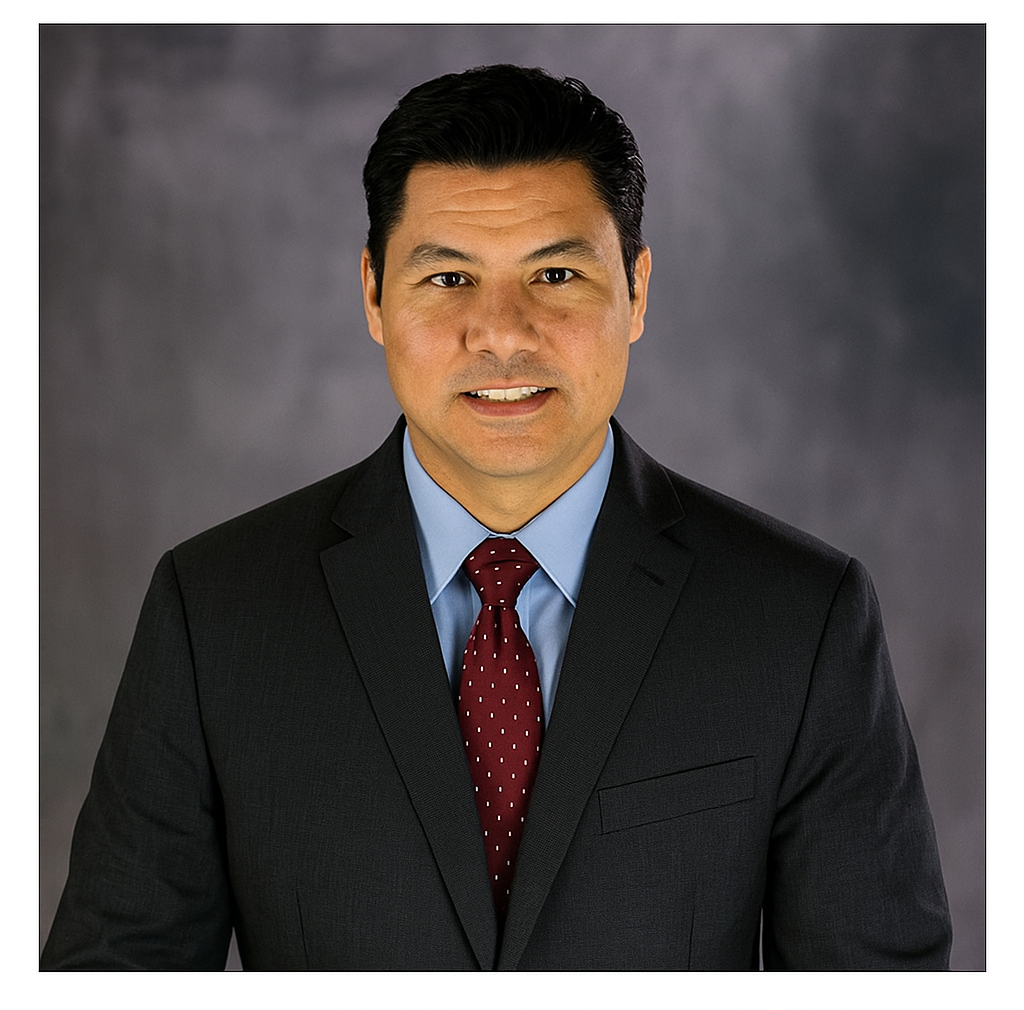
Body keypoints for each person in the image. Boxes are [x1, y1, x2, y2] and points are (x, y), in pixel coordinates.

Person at [41, 64, 951, 971]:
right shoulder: (215, 613)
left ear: (636, 290)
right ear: (373, 294)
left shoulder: (800, 617)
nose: (503, 333)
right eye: (448, 280)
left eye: (556, 273)